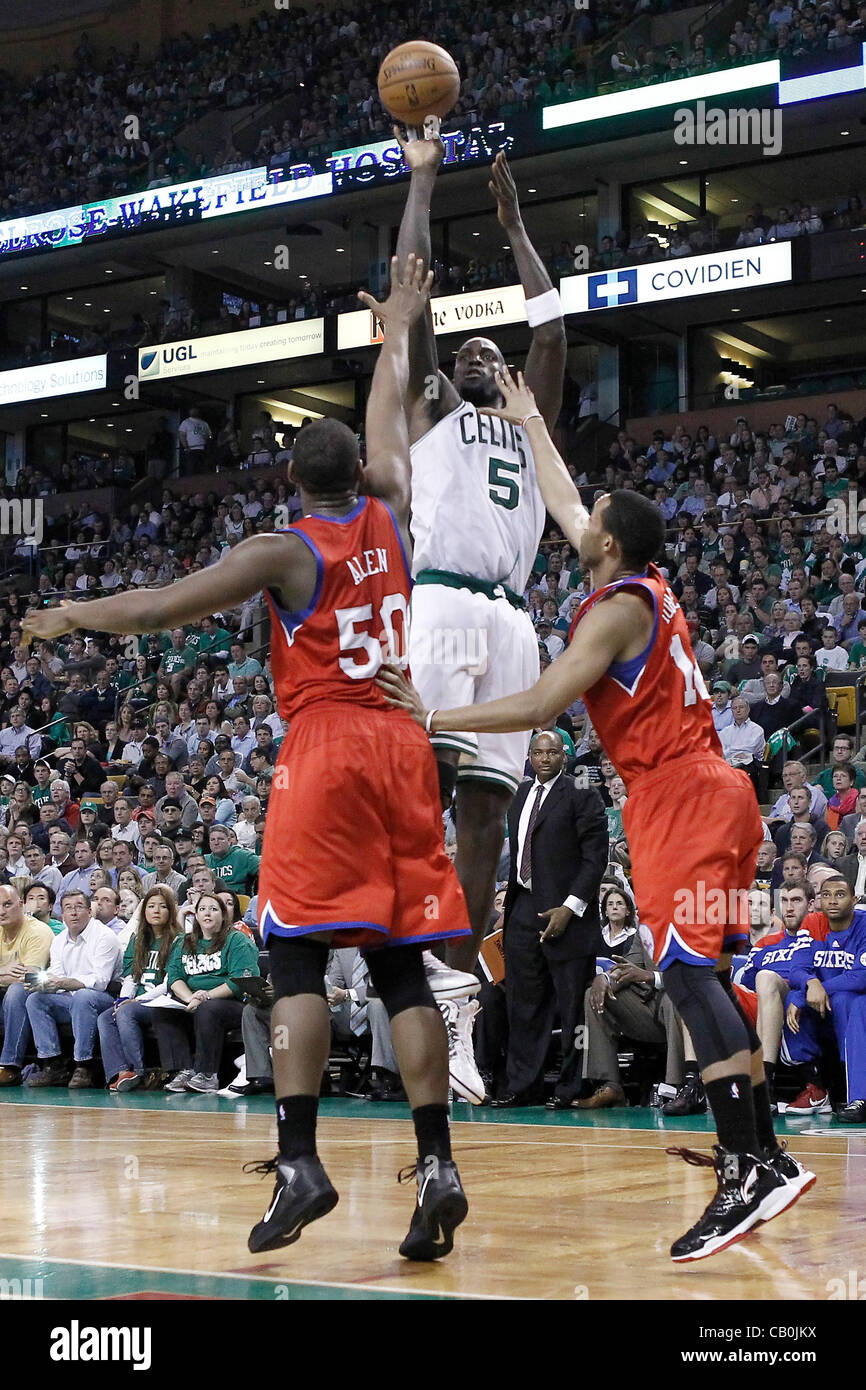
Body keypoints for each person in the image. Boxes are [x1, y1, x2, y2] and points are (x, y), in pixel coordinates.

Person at [23, 254, 472, 1263]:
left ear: (292, 481)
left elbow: (156, 608)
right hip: (403, 737)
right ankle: (438, 1163)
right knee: (401, 966)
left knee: (294, 954)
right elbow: (388, 411)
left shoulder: (282, 549)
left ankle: (300, 1160)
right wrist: (400, 328)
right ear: (359, 472)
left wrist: (70, 614)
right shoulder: (393, 506)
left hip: (329, 744)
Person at [379, 365, 815, 1263]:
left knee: (688, 978)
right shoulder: (639, 586)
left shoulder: (615, 611)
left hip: (680, 796)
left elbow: (544, 703)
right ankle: (765, 1153)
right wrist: (528, 417)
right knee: (708, 975)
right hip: (717, 794)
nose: (581, 520)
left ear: (608, 544)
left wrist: (435, 714)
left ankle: (748, 1167)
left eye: (595, 519)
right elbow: (566, 497)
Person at [393, 132, 565, 1051]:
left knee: (489, 819)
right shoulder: (432, 411)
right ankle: (403, 950)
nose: (475, 353)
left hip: (511, 623)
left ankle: (454, 992)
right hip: (446, 601)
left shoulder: (533, 424)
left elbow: (553, 332)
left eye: (490, 351)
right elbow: (415, 295)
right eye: (464, 351)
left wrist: (516, 226)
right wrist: (423, 181)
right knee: (422, 784)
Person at [493, 730, 607, 1108]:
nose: (544, 758)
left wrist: (570, 907)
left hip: (566, 914)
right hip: (523, 907)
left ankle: (570, 1088)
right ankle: (523, 1085)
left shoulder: (582, 794)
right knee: (523, 1004)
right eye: (538, 752)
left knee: (572, 1006)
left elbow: (595, 859)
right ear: (529, 756)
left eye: (552, 752)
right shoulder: (519, 795)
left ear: (564, 756)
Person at [148, 893, 260, 1093]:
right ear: (196, 916)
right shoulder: (184, 942)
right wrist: (190, 997)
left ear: (223, 916)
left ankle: (207, 1074)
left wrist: (205, 996)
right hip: (194, 1001)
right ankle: (183, 1070)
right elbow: (174, 977)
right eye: (202, 909)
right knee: (162, 1011)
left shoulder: (237, 940)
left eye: (213, 909)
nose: (207, 913)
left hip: (232, 1004)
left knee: (208, 1009)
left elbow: (239, 982)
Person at [783, 876, 866, 1123]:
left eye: (840, 895)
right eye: (826, 895)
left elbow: (861, 977)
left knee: (846, 1000)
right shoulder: (813, 922)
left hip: (856, 1008)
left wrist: (816, 989)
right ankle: (815, 1086)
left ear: (854, 900)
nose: (832, 901)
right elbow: (797, 970)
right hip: (824, 1008)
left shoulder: (864, 925)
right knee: (792, 998)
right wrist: (809, 986)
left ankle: (858, 1098)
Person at [96, 885, 184, 1092]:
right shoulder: (137, 939)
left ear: (171, 911)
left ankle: (138, 1071)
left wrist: (136, 1001)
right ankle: (119, 1072)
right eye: (151, 906)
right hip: (137, 1001)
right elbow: (131, 977)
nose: (156, 910)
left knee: (126, 1012)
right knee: (106, 1017)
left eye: (162, 906)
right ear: (143, 911)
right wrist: (122, 1000)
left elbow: (169, 983)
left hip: (164, 1001)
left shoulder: (179, 940)